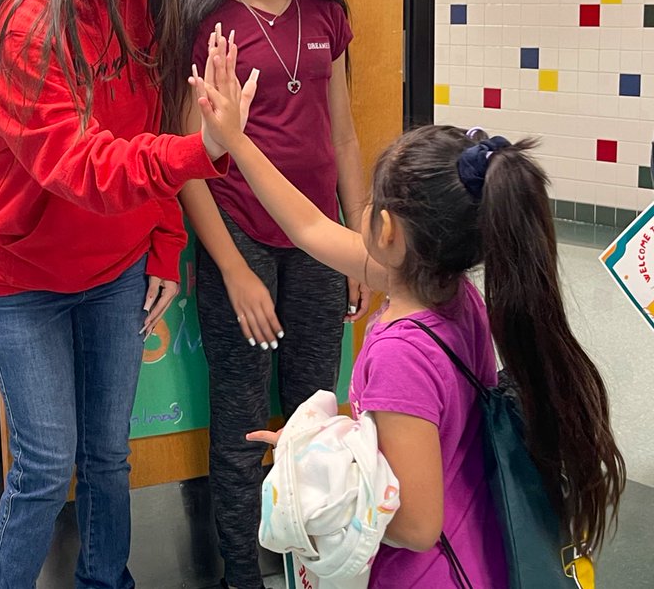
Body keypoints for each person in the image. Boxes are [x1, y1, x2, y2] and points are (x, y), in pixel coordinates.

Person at [194, 29, 626, 588]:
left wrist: (317, 474)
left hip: (426, 573)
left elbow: (418, 524)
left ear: (389, 231)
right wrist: (235, 139)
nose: (364, 207)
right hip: (480, 547)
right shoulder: (446, 289)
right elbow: (307, 227)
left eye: (373, 200)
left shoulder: (401, 351)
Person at [0, 0, 238, 589]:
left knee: (110, 454)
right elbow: (75, 163)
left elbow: (147, 124)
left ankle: (105, 581)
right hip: (24, 281)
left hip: (116, 270)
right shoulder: (22, 13)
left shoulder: (144, 4)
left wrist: (162, 247)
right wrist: (206, 152)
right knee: (46, 468)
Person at [173, 0, 367, 589]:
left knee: (317, 419)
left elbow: (345, 136)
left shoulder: (327, 18)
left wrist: (358, 245)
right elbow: (190, 161)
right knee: (242, 423)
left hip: (320, 244)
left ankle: (313, 569)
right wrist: (229, 269)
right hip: (242, 242)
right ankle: (241, 577)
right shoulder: (208, 23)